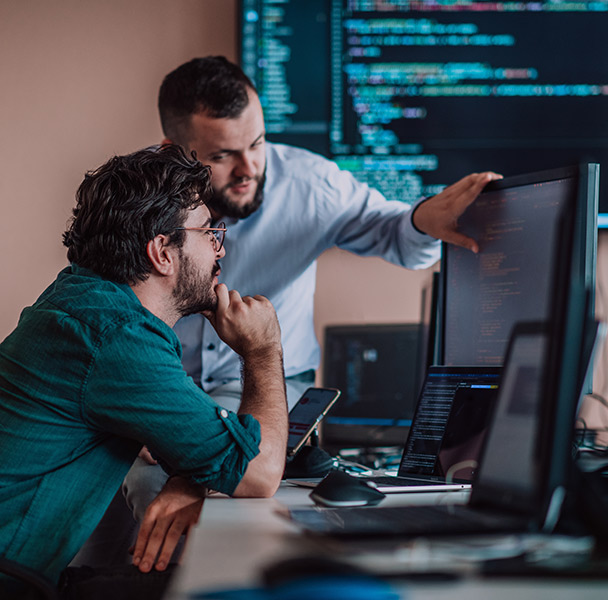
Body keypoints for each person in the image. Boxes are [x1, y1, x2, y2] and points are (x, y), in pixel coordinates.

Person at [0, 145, 287, 596]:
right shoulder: (118, 336)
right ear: (162, 253)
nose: (218, 247)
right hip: (14, 582)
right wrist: (263, 350)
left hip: (24, 572)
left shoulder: (81, 299)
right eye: (208, 232)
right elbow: (259, 473)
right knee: (245, 584)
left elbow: (176, 435)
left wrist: (190, 473)